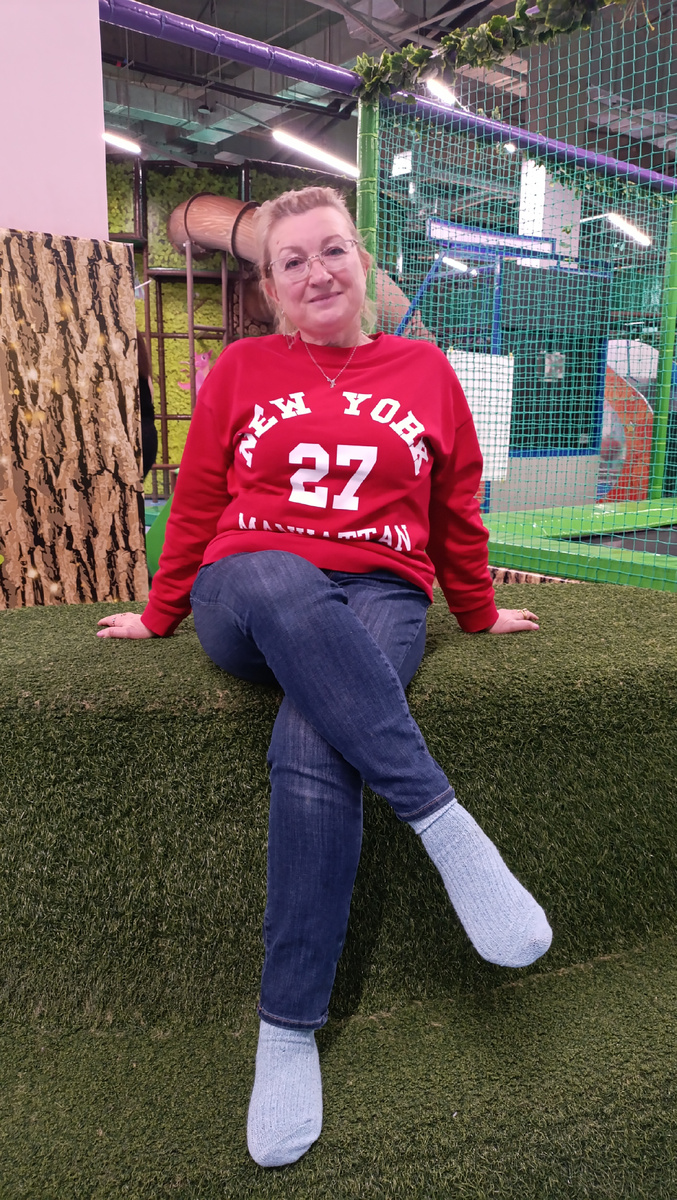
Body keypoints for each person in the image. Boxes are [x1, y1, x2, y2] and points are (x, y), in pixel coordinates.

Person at [97, 186, 551, 1169]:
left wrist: (475, 610)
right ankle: (445, 825)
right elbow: (199, 499)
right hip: (246, 590)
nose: (317, 272)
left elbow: (455, 506)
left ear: (362, 261)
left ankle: (286, 1029)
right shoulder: (242, 370)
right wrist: (161, 613)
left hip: (381, 591)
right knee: (276, 572)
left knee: (314, 738)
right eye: (292, 260)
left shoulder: (425, 371)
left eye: (332, 250)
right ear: (268, 288)